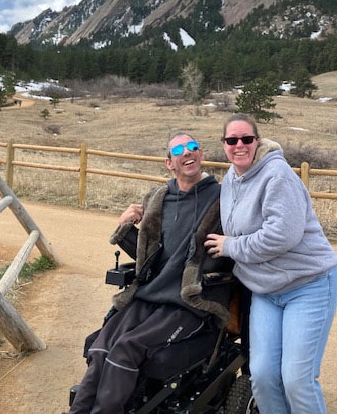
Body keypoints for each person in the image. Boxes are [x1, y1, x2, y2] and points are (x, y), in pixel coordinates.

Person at [66, 133, 233, 414]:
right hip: (148, 296)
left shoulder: (224, 199)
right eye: (179, 149)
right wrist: (124, 227)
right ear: (170, 163)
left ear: (201, 154)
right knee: (102, 347)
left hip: (188, 301)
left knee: (126, 348)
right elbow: (150, 259)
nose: (187, 152)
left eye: (192, 146)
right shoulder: (160, 200)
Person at [205, 113, 337, 414]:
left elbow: (282, 236)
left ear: (257, 141)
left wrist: (232, 247)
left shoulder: (276, 175)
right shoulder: (230, 179)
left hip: (308, 285)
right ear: (223, 144)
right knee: (263, 377)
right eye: (231, 140)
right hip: (265, 290)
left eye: (246, 139)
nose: (239, 145)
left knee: (297, 380)